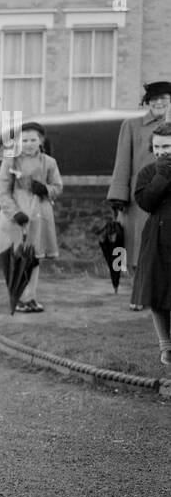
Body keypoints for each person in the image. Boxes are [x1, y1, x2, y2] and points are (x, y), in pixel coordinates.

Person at [108, 82, 171, 311]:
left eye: (163, 98)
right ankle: (138, 295)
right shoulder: (132, 125)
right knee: (136, 248)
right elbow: (123, 160)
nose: (159, 102)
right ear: (147, 102)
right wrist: (118, 195)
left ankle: (160, 296)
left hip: (168, 199)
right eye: (153, 99)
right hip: (141, 195)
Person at [0, 122, 62, 312]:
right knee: (15, 257)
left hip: (39, 214)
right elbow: (2, 192)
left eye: (33, 139)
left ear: (41, 141)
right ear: (18, 142)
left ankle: (30, 297)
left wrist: (46, 189)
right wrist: (15, 212)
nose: (29, 144)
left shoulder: (49, 162)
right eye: (24, 140)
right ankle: (17, 297)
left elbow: (58, 186)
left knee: (33, 257)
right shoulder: (10, 161)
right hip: (14, 216)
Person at [132, 122, 171, 365]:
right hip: (158, 238)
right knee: (157, 292)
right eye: (157, 146)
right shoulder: (148, 172)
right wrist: (162, 175)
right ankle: (166, 346)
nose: (161, 151)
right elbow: (146, 202)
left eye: (166, 146)